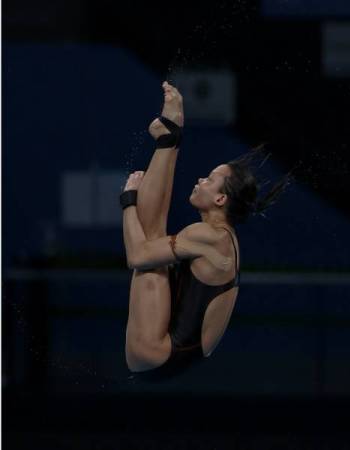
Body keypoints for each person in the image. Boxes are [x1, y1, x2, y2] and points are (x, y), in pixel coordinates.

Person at [121, 82, 293, 381]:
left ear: (220, 199)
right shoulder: (224, 239)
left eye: (211, 179)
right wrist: (130, 205)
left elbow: (137, 255)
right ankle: (168, 139)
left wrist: (128, 202)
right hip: (173, 358)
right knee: (154, 246)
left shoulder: (209, 236)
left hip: (156, 353)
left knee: (150, 257)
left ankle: (169, 139)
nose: (201, 179)